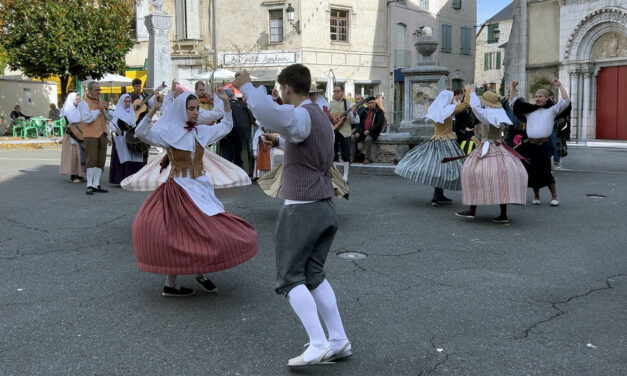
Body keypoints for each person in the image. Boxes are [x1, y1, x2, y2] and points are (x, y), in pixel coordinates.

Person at [235, 65, 352, 367]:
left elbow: (270, 115)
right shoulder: (320, 115)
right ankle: (338, 340)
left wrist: (248, 87)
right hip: (324, 205)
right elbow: (304, 140)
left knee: (289, 279)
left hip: (303, 207)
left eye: (280, 90)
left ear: (286, 88)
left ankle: (318, 343)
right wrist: (281, 143)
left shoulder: (301, 114)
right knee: (314, 276)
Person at [132, 89, 258, 297]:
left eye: (198, 108)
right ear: (182, 110)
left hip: (201, 187)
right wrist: (153, 108)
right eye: (191, 109)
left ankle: (199, 272)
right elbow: (141, 133)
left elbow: (227, 126)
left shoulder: (201, 132)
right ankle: (171, 284)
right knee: (180, 235)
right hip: (179, 189)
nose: (196, 113)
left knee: (203, 232)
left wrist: (226, 103)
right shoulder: (169, 132)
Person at [455, 87, 528, 223]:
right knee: (501, 176)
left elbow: (476, 108)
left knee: (471, 172)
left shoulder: (487, 114)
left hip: (488, 146)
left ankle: (472, 209)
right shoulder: (500, 113)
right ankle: (502, 213)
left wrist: (471, 93)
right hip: (499, 146)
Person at [395, 86, 470, 206]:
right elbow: (465, 105)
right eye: (451, 98)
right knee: (447, 167)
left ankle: (439, 194)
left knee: (439, 167)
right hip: (446, 141)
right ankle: (437, 196)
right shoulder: (449, 109)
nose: (452, 100)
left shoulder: (436, 109)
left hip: (435, 140)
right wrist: (470, 90)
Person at [511, 79, 570, 206]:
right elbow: (513, 103)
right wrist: (513, 87)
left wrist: (560, 85)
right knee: (532, 170)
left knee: (546, 170)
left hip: (544, 145)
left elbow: (565, 101)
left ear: (547, 98)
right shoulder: (529, 110)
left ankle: (554, 196)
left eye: (541, 96)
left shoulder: (551, 110)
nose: (538, 98)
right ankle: (536, 196)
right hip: (530, 145)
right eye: (536, 96)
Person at [79, 81, 112, 195]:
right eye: (96, 90)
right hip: (91, 134)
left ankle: (96, 184)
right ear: (90, 90)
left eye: (99, 90)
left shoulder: (100, 101)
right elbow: (86, 118)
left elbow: (109, 118)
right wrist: (98, 110)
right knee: (91, 160)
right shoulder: (84, 103)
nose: (99, 92)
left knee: (100, 160)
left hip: (102, 133)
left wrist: (106, 110)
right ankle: (89, 185)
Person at [108, 94, 147, 184]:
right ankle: (120, 178)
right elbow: (111, 123)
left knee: (131, 156)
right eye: (126, 101)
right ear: (122, 102)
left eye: (129, 101)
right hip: (120, 139)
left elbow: (133, 124)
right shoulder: (117, 112)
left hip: (129, 137)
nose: (127, 103)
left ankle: (130, 178)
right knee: (123, 157)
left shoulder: (131, 112)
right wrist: (115, 129)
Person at [219, 88, 254, 175]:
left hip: (227, 137)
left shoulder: (224, 107)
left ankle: (227, 176)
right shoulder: (242, 105)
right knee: (239, 158)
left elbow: (220, 123)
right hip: (241, 136)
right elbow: (251, 119)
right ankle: (242, 176)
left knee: (227, 158)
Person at [59, 93, 86, 183]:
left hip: (80, 132)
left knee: (80, 154)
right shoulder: (68, 108)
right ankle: (73, 175)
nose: (78, 101)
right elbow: (74, 120)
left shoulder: (77, 108)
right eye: (77, 99)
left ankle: (80, 174)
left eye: (79, 99)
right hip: (72, 133)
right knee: (73, 155)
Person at [350, 96, 385, 164]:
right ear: (367, 104)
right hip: (364, 131)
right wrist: (358, 132)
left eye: (372, 102)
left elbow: (379, 124)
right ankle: (353, 157)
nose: (371, 104)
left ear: (375, 103)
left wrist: (369, 130)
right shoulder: (365, 111)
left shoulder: (379, 111)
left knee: (368, 139)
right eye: (369, 103)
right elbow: (360, 123)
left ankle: (367, 158)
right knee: (352, 137)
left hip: (373, 132)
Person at [329, 84, 352, 162]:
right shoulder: (329, 103)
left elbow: (356, 121)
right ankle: (334, 173)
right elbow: (324, 117)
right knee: (333, 156)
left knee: (346, 157)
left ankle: (346, 173)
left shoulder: (349, 103)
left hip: (346, 132)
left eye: (337, 91)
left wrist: (354, 113)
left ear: (342, 92)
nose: (335, 93)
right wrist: (332, 119)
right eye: (334, 91)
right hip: (333, 131)